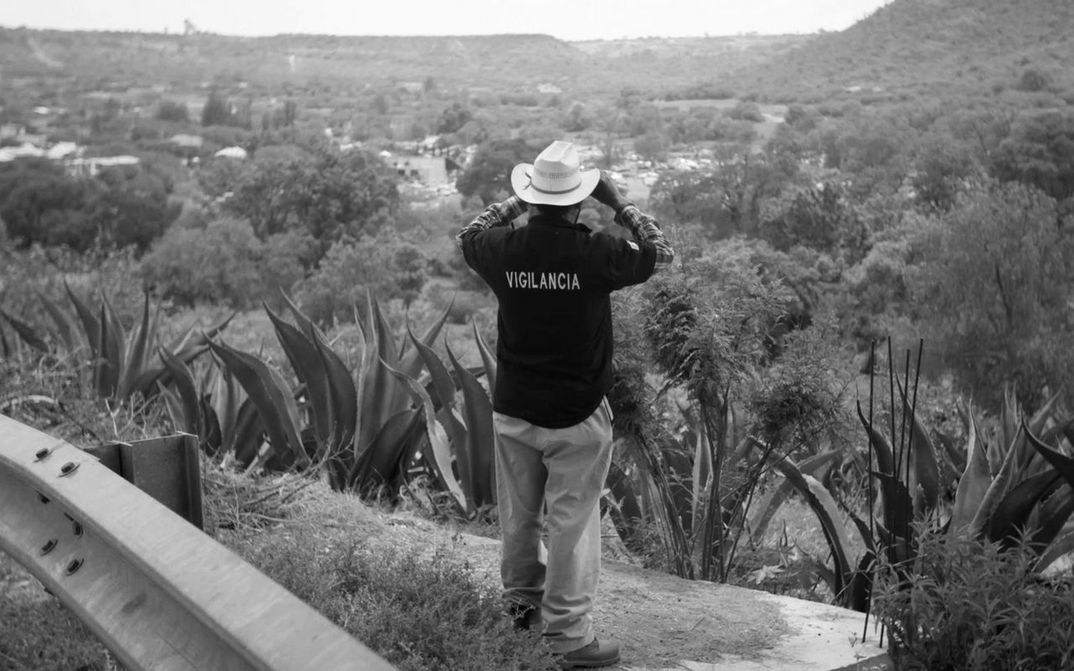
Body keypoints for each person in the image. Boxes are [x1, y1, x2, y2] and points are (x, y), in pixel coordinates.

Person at [456, 140, 674, 669]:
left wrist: (516, 202)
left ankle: (521, 612)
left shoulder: (503, 250)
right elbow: (660, 253)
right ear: (580, 201)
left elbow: (469, 236)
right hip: (578, 414)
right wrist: (618, 201)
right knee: (572, 524)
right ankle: (569, 638)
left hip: (514, 410)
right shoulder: (598, 253)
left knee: (520, 517)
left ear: (531, 197)